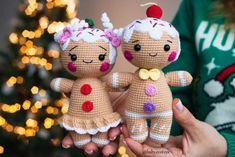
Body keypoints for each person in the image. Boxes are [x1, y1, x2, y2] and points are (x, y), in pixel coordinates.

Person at [62, 0, 235, 156]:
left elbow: (181, 78)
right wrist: (165, 141)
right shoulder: (198, 5)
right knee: (138, 123)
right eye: (137, 46)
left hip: (189, 137)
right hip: (175, 139)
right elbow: (180, 91)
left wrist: (226, 147)